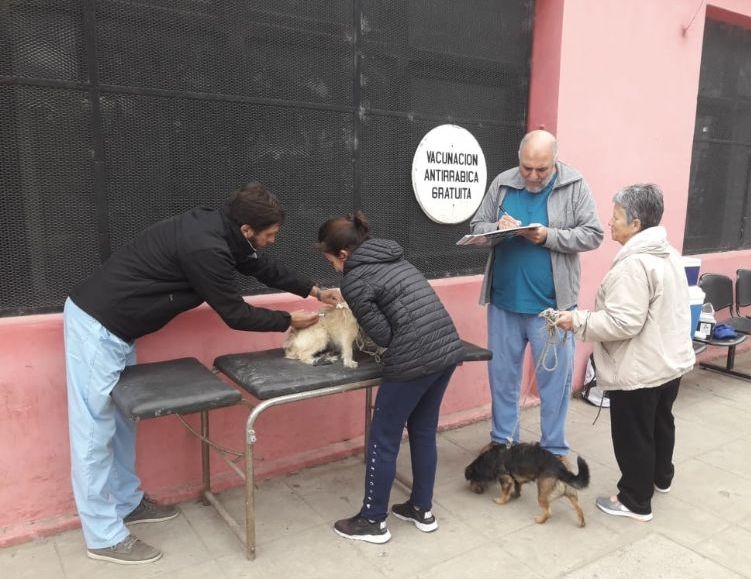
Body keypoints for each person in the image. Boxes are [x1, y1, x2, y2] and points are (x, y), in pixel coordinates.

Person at [64, 182, 341, 564]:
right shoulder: (206, 247)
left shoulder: (224, 232)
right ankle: (102, 535)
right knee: (94, 432)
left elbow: (261, 267)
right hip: (97, 328)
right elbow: (235, 313)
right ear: (247, 229)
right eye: (271, 235)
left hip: (117, 329)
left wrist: (312, 289)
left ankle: (126, 501)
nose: (274, 241)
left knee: (123, 422)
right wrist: (288, 321)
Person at [318, 211, 465, 544]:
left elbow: (383, 334)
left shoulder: (354, 279)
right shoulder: (395, 257)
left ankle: (372, 520)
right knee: (423, 431)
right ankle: (421, 510)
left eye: (331, 262)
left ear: (343, 254)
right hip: (446, 350)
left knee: (383, 439)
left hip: (412, 360)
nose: (334, 268)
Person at [554, 183, 695, 521]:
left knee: (634, 435)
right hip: (668, 363)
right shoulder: (668, 254)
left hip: (640, 369)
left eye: (616, 217)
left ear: (636, 224)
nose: (609, 223)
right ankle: (661, 478)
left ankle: (634, 499)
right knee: (661, 424)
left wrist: (577, 321)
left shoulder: (635, 265)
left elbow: (622, 323)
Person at [470, 130, 603, 457]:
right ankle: (504, 443)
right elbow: (477, 227)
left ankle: (553, 450)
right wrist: (496, 229)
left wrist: (548, 236)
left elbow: (593, 234)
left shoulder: (574, 186)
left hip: (552, 309)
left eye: (540, 170)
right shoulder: (503, 183)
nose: (531, 175)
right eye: (526, 167)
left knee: (554, 384)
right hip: (504, 303)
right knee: (502, 379)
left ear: (554, 162)